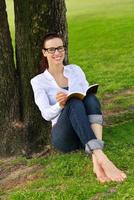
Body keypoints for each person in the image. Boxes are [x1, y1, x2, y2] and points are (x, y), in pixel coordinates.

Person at [30, 33, 127, 183]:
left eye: (60, 48)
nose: (57, 53)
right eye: (51, 49)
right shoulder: (38, 81)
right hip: (64, 137)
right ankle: (103, 159)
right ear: (44, 52)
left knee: (90, 97)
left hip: (85, 131)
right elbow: (46, 115)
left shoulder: (75, 70)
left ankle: (97, 157)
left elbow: (86, 97)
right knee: (73, 103)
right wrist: (59, 105)